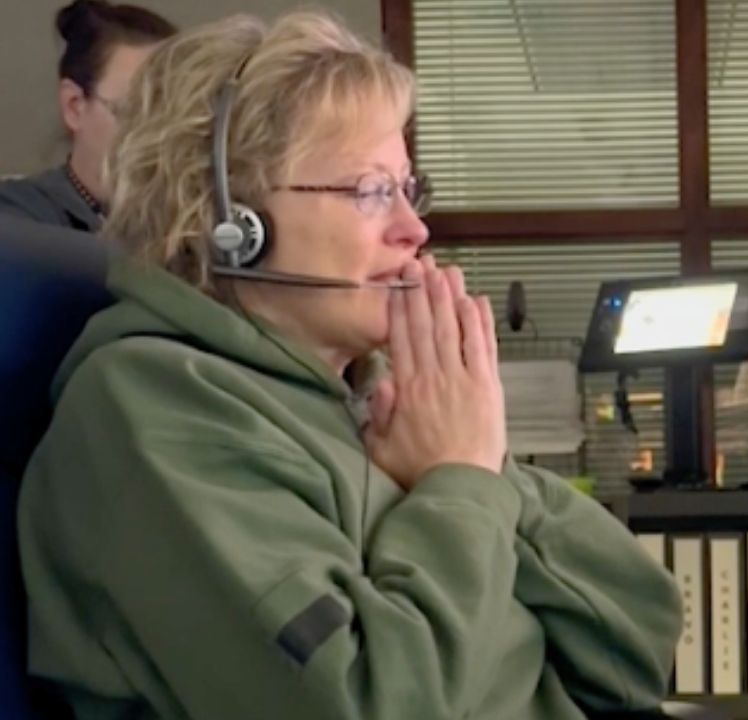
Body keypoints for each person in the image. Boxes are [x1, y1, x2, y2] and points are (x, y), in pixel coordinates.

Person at [18, 11, 681, 720]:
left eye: (407, 188)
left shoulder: (369, 404)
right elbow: (369, 705)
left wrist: (470, 465)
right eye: (369, 191)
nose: (414, 228)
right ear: (228, 219)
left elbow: (637, 643)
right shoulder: (152, 409)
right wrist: (459, 484)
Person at [0, 0, 175, 232]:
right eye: (136, 111)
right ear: (74, 107)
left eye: (176, 112)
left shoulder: (209, 222)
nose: (159, 133)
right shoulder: (19, 213)